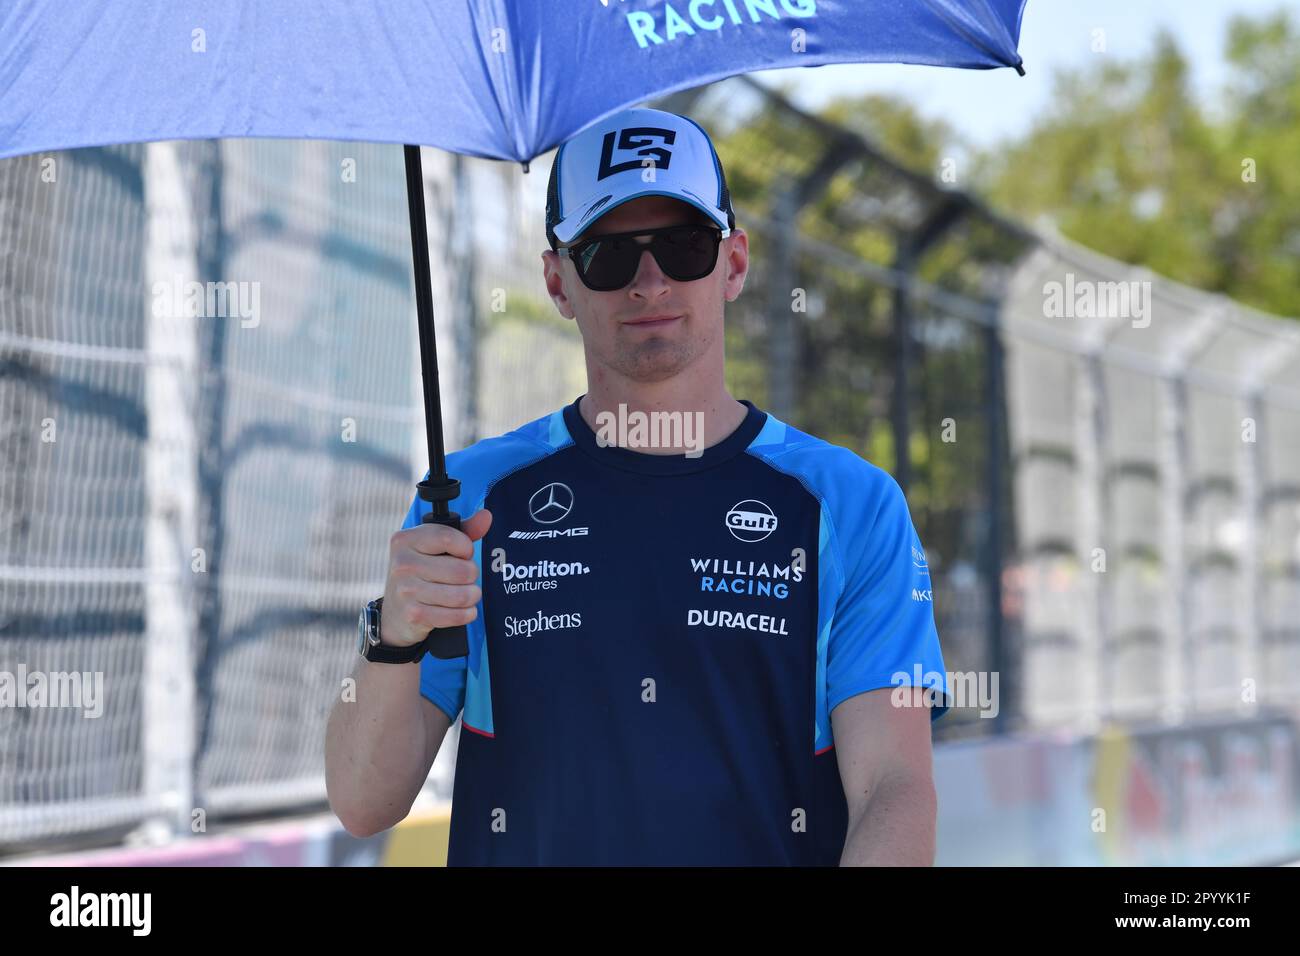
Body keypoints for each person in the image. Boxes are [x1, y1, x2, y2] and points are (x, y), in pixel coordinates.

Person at [325, 107, 951, 866]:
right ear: (558, 281)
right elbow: (363, 803)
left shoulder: (851, 505)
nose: (649, 282)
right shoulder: (470, 500)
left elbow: (894, 789)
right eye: (609, 257)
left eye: (683, 246)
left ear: (735, 263)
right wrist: (392, 638)